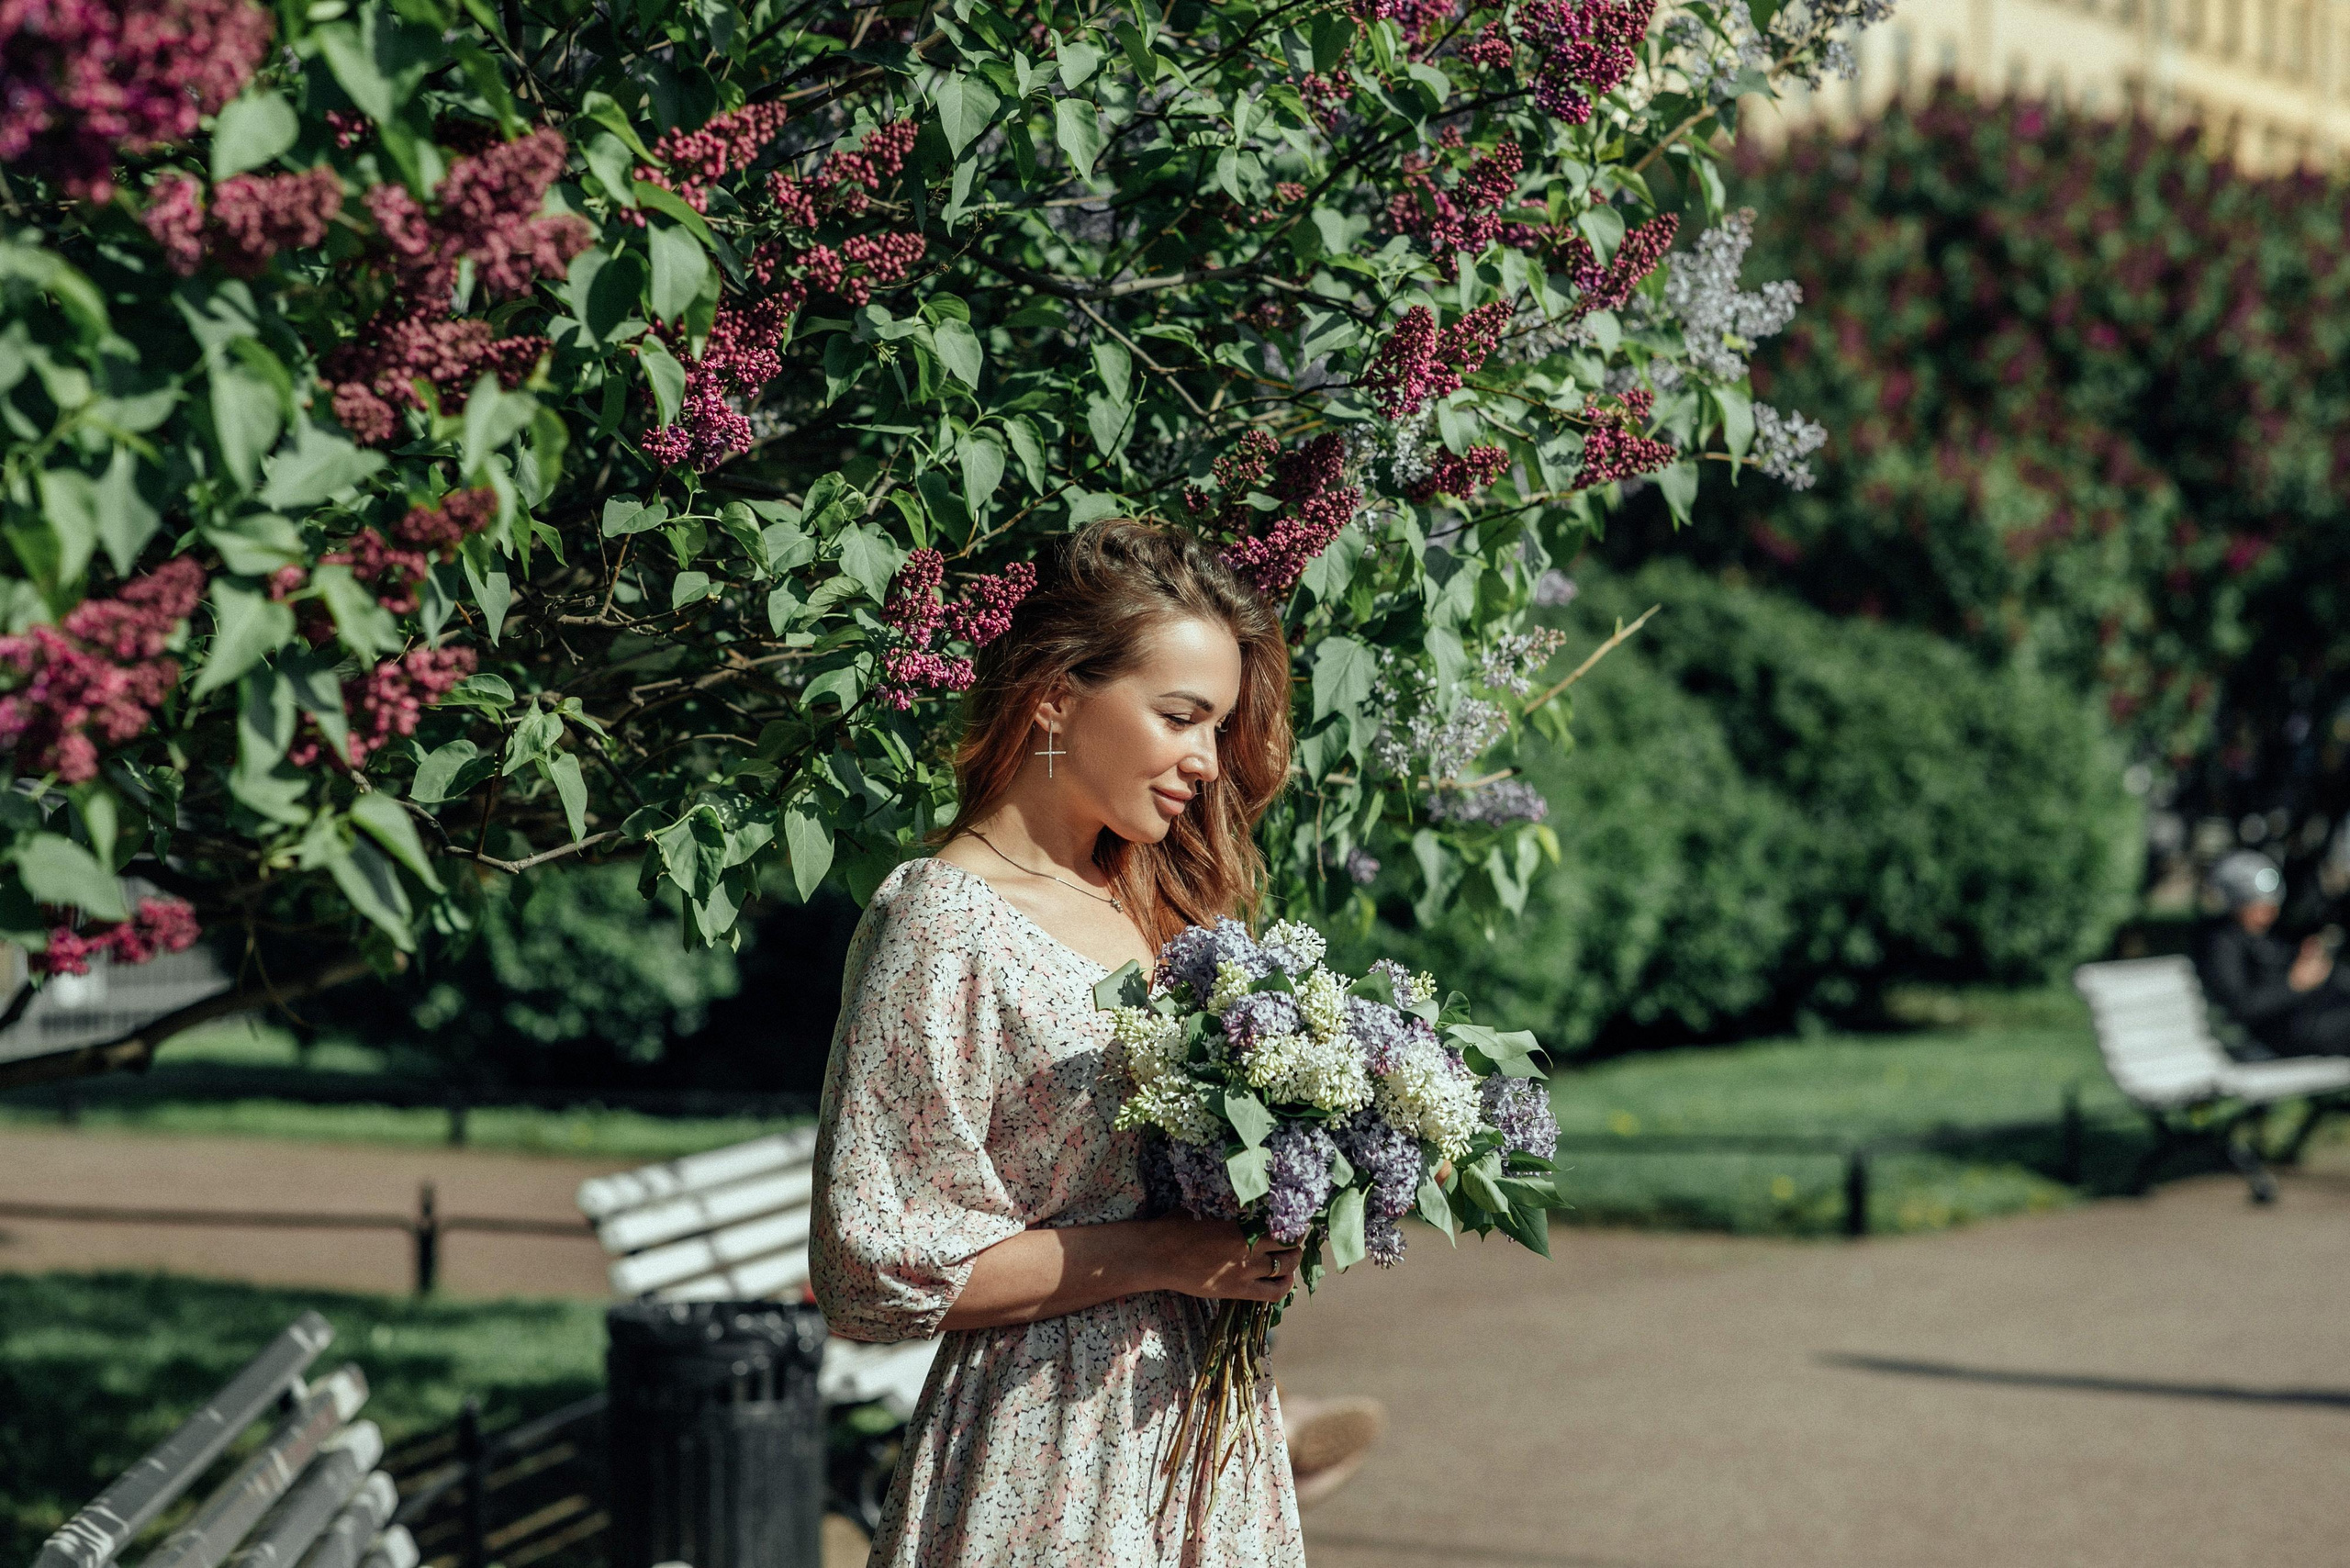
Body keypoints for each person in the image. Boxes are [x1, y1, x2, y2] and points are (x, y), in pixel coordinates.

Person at [809, 520, 1312, 1566]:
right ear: (1052, 694)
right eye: (1180, 717)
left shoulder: (1156, 899)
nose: (1207, 763)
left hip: (1201, 1433)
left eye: (1217, 728)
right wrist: (1172, 1255)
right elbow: (872, 1265)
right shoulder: (942, 921)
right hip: (1046, 1443)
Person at [2194, 849, 2350, 1058]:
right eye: (2259, 906)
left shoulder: (2262, 935)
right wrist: (2294, 985)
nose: (2269, 913)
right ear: (2236, 902)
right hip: (2277, 1036)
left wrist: (2306, 960)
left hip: (2307, 1019)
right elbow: (2242, 1007)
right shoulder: (2221, 944)